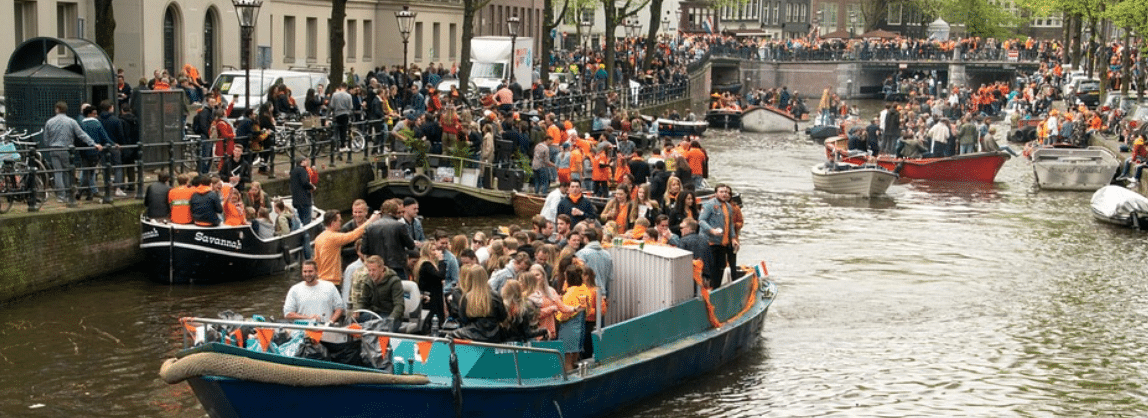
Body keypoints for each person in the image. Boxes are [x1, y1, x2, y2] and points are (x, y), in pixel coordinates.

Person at [314, 209, 379, 287]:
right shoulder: (333, 237)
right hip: (332, 281)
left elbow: (316, 260)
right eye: (339, 221)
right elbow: (353, 235)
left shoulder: (318, 238)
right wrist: (371, 220)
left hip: (321, 279)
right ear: (333, 223)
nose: (341, 223)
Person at [449, 264, 507, 342]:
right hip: (494, 335)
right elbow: (503, 316)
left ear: (469, 279)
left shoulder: (466, 297)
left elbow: (463, 319)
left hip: (472, 334)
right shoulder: (496, 296)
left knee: (448, 336)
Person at [362, 199, 417, 280]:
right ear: (394, 212)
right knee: (400, 286)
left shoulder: (369, 227)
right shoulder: (400, 226)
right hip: (397, 267)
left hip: (378, 268)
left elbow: (364, 249)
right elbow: (411, 245)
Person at [698, 184, 738, 289]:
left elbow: (730, 224)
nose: (724, 194)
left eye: (726, 192)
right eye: (721, 192)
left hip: (722, 242)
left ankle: (716, 288)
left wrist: (733, 238)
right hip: (710, 241)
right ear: (716, 193)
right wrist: (711, 230)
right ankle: (709, 288)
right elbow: (701, 220)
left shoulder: (728, 207)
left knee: (721, 267)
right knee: (711, 267)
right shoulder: (709, 204)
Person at [350, 255, 406, 327]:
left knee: (384, 328)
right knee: (353, 323)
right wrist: (357, 310)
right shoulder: (368, 281)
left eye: (374, 270)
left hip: (390, 314)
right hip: (374, 314)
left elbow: (399, 305)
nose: (371, 273)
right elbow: (363, 301)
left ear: (382, 269)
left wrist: (390, 319)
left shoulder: (394, 281)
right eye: (369, 270)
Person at [575, 227, 612, 303]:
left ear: (586, 238)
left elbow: (578, 276)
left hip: (587, 295)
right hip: (602, 294)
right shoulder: (607, 255)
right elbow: (609, 278)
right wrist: (607, 296)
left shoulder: (582, 254)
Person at [414, 241, 448, 323]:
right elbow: (440, 276)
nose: (436, 252)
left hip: (432, 295)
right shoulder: (426, 265)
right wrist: (441, 261)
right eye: (433, 250)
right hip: (432, 297)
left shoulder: (426, 264)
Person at [677, 218, 714, 289]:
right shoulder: (704, 241)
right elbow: (711, 260)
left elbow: (679, 262)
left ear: (689, 228)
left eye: (682, 228)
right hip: (704, 277)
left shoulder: (683, 241)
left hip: (689, 278)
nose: (680, 230)